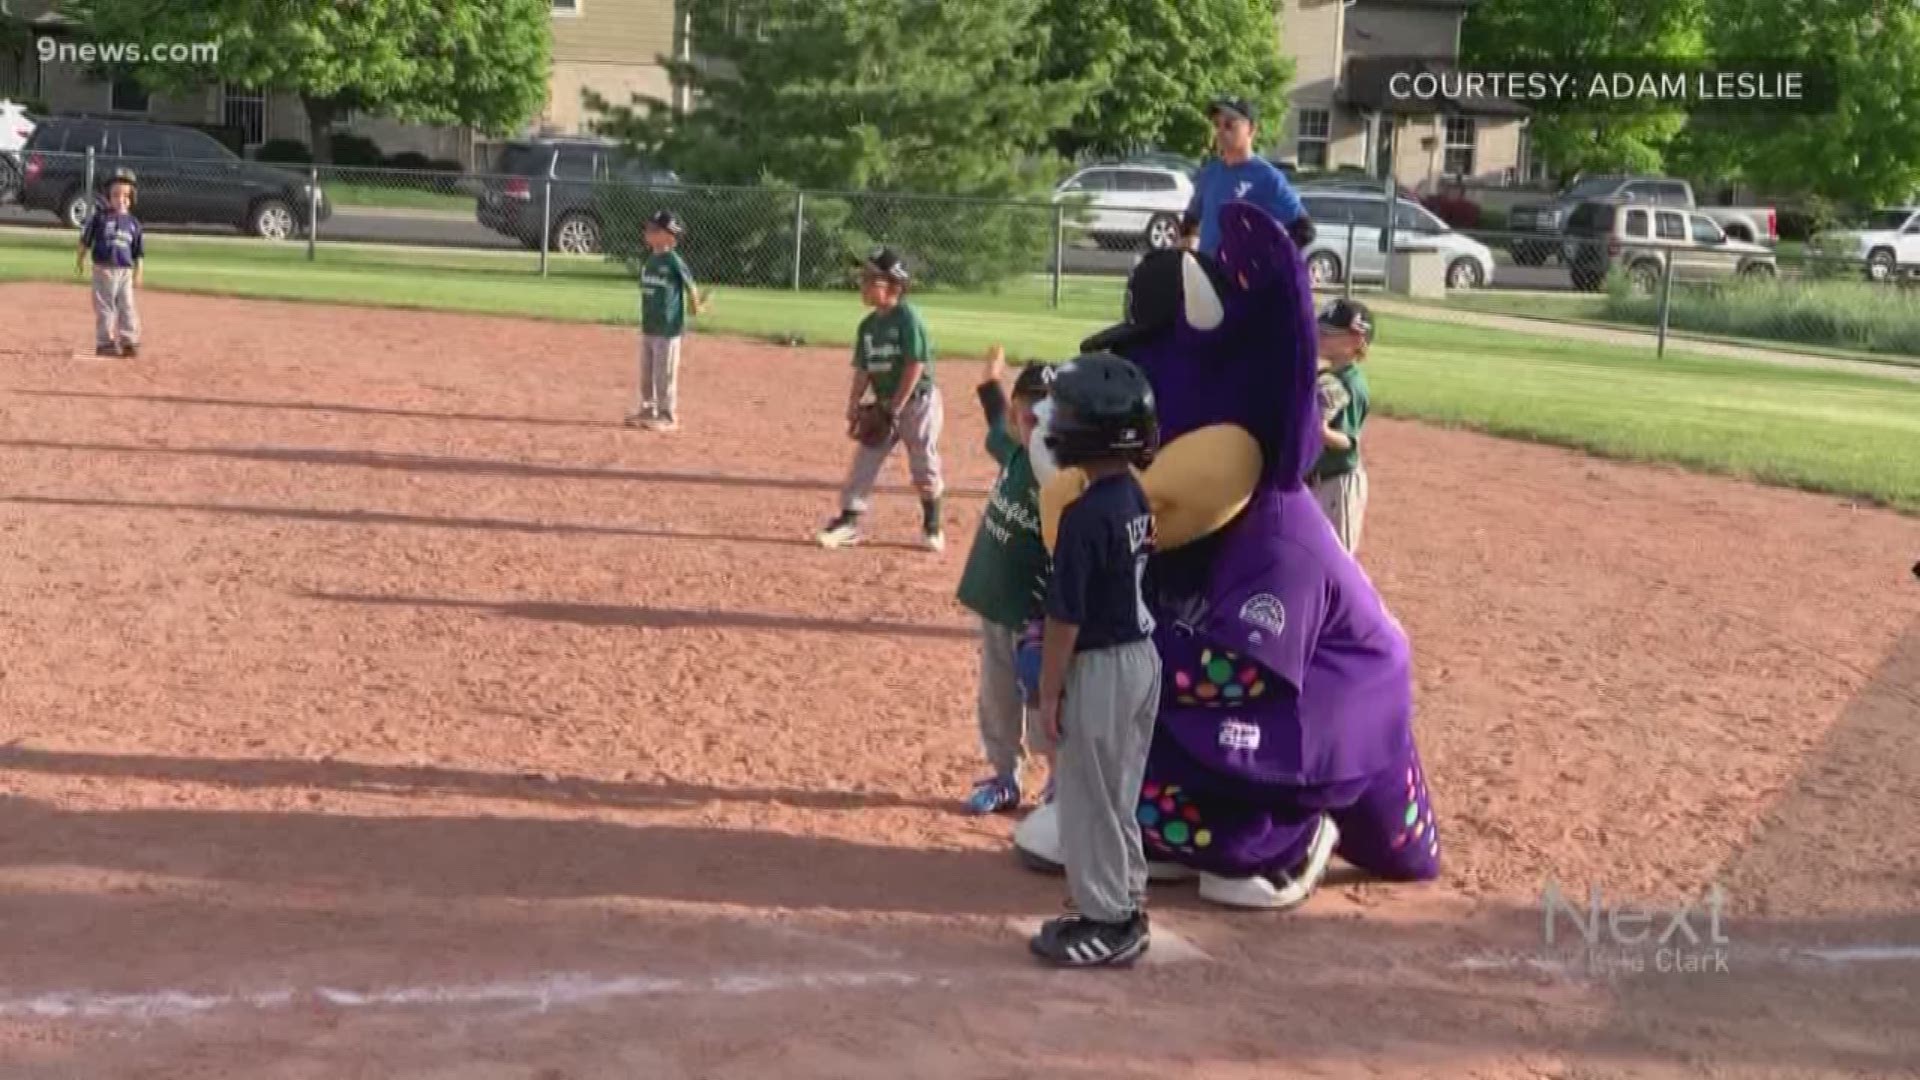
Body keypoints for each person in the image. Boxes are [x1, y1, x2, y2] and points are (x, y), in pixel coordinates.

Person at [1026, 351, 1162, 969]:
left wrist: (1050, 692)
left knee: (1089, 795)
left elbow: (1064, 619)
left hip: (1104, 665)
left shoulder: (1084, 516)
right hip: (1141, 658)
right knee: (1118, 790)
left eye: (1071, 410)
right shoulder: (1131, 494)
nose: (1059, 419)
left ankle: (1109, 921)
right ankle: (1123, 900)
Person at [956, 346, 1057, 814]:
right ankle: (1004, 777)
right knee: (996, 698)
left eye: (1045, 418)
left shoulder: (1063, 480)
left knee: (1043, 705)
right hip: (996, 603)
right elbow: (997, 420)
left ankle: (1059, 783)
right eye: (1026, 417)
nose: (1032, 427)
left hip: (1034, 617)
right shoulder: (1014, 451)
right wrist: (989, 380)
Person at [816, 248, 947, 552]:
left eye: (870, 279)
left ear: (894, 286)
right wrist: (853, 404)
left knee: (923, 462)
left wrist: (896, 406)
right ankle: (848, 521)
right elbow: (863, 369)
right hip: (886, 403)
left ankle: (932, 525)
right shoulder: (867, 326)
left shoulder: (907, 318)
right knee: (864, 461)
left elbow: (916, 363)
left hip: (918, 403)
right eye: (863, 278)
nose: (862, 284)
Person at [1181, 96, 1315, 256]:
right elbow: (1191, 217)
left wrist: (1269, 263)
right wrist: (1188, 241)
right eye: (1217, 125)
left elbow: (1304, 230)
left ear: (1251, 129)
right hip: (1208, 273)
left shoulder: (1268, 177)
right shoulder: (1210, 173)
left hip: (1244, 278)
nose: (1221, 131)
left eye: (1230, 125)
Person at [628, 210, 707, 432]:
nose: (648, 232)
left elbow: (690, 285)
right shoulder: (651, 260)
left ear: (670, 237)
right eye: (648, 229)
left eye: (655, 230)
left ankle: (668, 415)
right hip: (649, 326)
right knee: (647, 373)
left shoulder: (673, 260)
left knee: (665, 373)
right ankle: (648, 409)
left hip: (668, 328)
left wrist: (695, 304)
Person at [1311, 299, 1372, 554]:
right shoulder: (1326, 378)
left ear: (1357, 341)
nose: (1320, 336)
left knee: (1337, 559)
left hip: (1339, 483)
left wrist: (1321, 432)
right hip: (1315, 481)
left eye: (1330, 333)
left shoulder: (1351, 384)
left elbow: (1348, 442)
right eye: (1320, 330)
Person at [76, 169, 143, 358]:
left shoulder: (134, 223)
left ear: (132, 198)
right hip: (103, 269)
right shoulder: (99, 219)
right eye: (115, 195)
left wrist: (139, 272)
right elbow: (85, 241)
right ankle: (104, 343)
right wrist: (80, 260)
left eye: (126, 195)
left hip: (125, 272)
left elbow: (138, 252)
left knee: (127, 305)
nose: (121, 199)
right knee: (105, 307)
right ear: (108, 197)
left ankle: (129, 340)